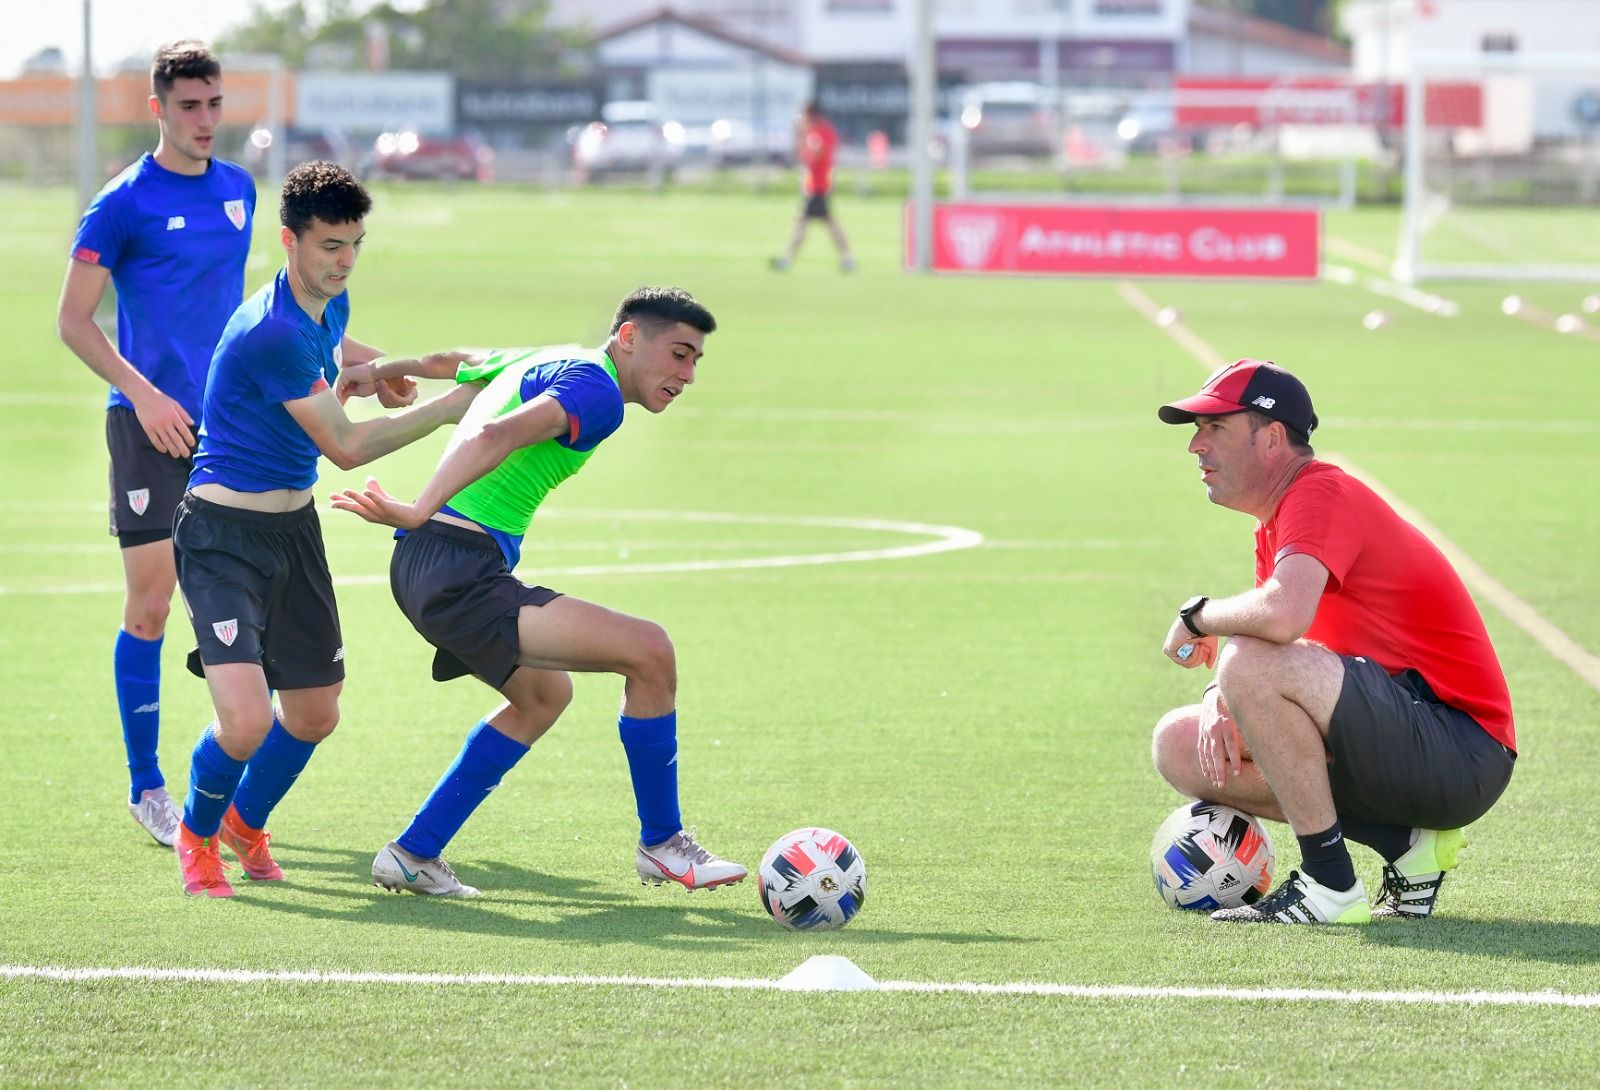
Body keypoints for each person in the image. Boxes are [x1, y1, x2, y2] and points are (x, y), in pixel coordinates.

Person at [328, 287, 747, 897]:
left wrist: (379, 369)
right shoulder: (599, 392)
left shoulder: (556, 358)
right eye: (678, 354)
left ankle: (413, 853)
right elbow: (492, 434)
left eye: (695, 362)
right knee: (650, 652)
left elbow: (457, 360)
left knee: (542, 696)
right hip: (456, 567)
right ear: (629, 337)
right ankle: (663, 844)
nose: (685, 375)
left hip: (431, 565)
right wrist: (417, 509)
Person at [170, 160, 475, 897]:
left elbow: (335, 348)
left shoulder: (322, 303)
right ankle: (197, 835)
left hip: (293, 533)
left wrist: (381, 369)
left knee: (313, 714)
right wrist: (441, 407)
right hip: (221, 538)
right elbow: (345, 446)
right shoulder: (271, 330)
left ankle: (247, 824)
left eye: (355, 244)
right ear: (289, 240)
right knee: (244, 724)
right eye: (330, 245)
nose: (344, 261)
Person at [1150, 359, 1516, 925]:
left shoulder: (1320, 493)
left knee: (1245, 664)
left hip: (1461, 749)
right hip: (1406, 739)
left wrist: (1198, 617)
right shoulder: (1275, 522)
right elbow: (1275, 638)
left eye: (1215, 427)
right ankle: (1405, 844)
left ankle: (1329, 885)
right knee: (1181, 744)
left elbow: (1281, 618)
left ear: (1272, 438)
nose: (1196, 445)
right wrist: (1216, 699)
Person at [56, 41, 256, 848]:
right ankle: (147, 786)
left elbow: (253, 309)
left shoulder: (241, 190)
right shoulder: (121, 204)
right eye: (189, 107)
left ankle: (233, 780)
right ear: (158, 109)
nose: (205, 121)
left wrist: (354, 361)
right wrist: (143, 396)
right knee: (150, 603)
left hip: (232, 427)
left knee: (250, 601)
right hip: (146, 427)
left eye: (214, 104)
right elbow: (73, 321)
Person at [771, 102, 855, 273]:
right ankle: (847, 258)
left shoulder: (818, 133)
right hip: (817, 185)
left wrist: (801, 136)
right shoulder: (823, 131)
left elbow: (813, 156)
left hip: (818, 186)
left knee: (803, 223)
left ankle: (787, 259)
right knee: (828, 223)